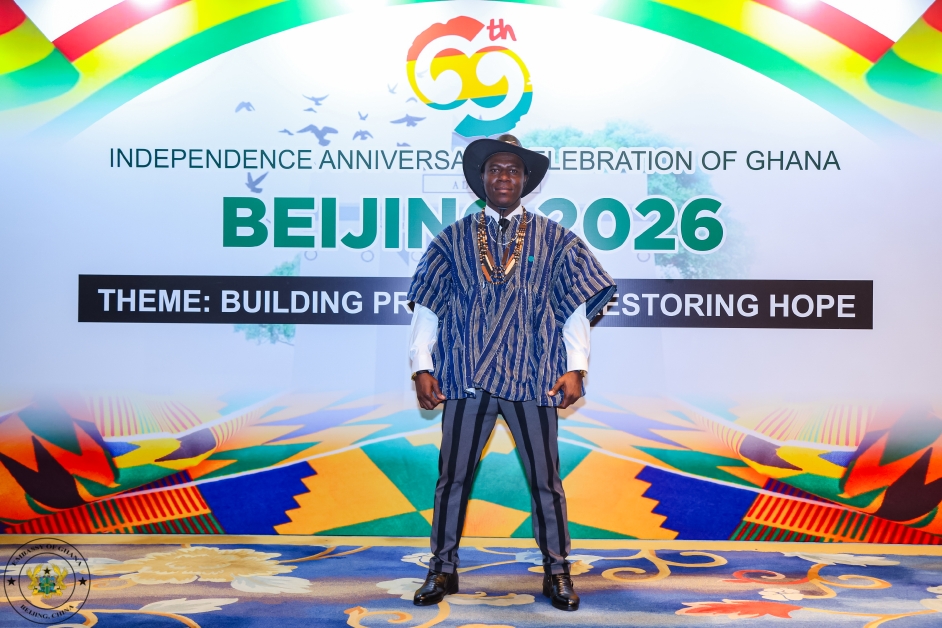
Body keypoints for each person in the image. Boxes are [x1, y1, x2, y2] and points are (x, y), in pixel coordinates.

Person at [406, 134, 615, 611]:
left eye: (513, 170)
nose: (504, 177)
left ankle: (557, 571)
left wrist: (576, 366)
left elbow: (575, 307)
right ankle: (442, 568)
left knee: (546, 479)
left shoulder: (555, 239)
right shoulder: (452, 239)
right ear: (482, 178)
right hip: (466, 374)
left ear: (526, 180)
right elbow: (429, 306)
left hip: (532, 373)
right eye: (495, 169)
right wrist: (422, 365)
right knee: (452, 478)